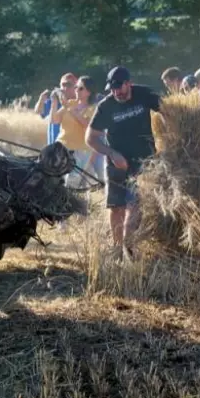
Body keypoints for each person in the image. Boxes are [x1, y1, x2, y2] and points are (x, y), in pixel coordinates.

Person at [85, 66, 161, 261]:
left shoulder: (145, 94)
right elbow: (90, 138)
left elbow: (169, 111)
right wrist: (111, 153)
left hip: (144, 163)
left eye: (120, 87)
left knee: (135, 206)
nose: (116, 92)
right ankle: (118, 251)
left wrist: (170, 136)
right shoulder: (106, 106)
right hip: (116, 164)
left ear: (129, 83)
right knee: (116, 207)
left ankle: (129, 250)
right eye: (113, 88)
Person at [49, 75, 104, 187]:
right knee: (54, 179)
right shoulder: (70, 103)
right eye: (76, 88)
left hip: (80, 151)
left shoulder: (93, 108)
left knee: (71, 182)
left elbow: (87, 125)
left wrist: (70, 109)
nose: (76, 90)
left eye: (80, 88)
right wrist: (54, 102)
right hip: (62, 146)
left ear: (88, 92)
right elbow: (54, 120)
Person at [33, 73, 78, 146]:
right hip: (53, 146)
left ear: (75, 87)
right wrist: (41, 99)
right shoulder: (54, 100)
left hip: (69, 149)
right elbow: (38, 111)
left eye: (69, 85)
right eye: (63, 85)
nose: (65, 88)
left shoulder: (78, 102)